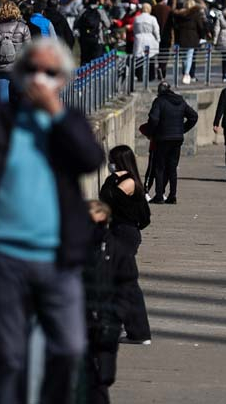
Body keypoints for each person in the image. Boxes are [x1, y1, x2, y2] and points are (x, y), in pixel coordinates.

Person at [0, 38, 105, 404]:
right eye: (31, 71)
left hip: (57, 256)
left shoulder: (69, 122)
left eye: (49, 72)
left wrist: (56, 116)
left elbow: (90, 158)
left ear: (62, 80)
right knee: (10, 357)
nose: (39, 79)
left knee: (68, 347)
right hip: (3, 254)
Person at [82, 200, 137, 404]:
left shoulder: (117, 250)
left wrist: (116, 315)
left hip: (106, 324)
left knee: (102, 378)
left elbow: (128, 285)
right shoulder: (73, 249)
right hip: (78, 322)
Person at [98, 146, 151, 345]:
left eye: (112, 160)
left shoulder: (128, 182)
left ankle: (139, 332)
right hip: (117, 233)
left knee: (126, 282)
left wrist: (113, 179)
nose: (110, 164)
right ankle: (128, 329)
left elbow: (109, 199)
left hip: (125, 234)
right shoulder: (121, 181)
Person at [147, 82, 198, 204]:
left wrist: (151, 132)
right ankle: (172, 195)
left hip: (162, 138)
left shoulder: (159, 101)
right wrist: (182, 129)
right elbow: (193, 116)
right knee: (172, 168)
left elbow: (154, 119)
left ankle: (159, 196)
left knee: (160, 168)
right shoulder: (180, 101)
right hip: (177, 139)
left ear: (160, 91)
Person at [0, 0, 31, 105]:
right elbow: (29, 51)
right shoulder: (23, 28)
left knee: (3, 101)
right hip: (18, 69)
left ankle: (4, 120)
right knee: (19, 100)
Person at [173, 0, 207, 84]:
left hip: (182, 37)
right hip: (192, 37)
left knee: (184, 57)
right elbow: (200, 27)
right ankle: (187, 73)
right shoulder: (196, 15)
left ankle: (185, 72)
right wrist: (201, 36)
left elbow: (176, 27)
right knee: (189, 56)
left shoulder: (180, 15)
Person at [75, 0, 111, 65]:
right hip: (97, 40)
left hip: (84, 40)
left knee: (84, 61)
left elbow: (76, 23)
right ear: (97, 1)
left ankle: (83, 75)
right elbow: (108, 24)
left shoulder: (83, 11)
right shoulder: (100, 11)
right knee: (96, 62)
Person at [133, 3, 161, 81]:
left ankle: (139, 76)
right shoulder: (152, 18)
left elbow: (134, 29)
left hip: (139, 38)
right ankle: (151, 76)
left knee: (139, 58)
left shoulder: (137, 18)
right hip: (149, 38)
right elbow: (156, 30)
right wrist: (158, 39)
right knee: (150, 57)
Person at [151, 0, 173, 80]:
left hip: (154, 36)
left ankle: (152, 73)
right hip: (166, 35)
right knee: (164, 54)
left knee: (153, 54)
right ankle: (162, 71)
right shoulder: (168, 9)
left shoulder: (153, 9)